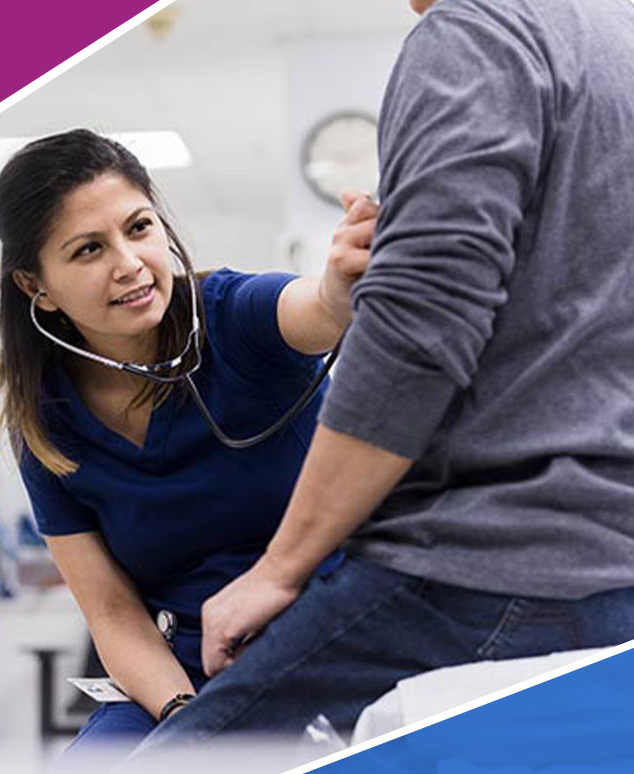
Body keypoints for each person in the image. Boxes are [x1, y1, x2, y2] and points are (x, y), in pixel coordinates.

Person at [133, 0, 634, 761]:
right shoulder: (610, 43)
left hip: (479, 569)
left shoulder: (474, 36)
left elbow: (417, 331)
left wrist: (280, 567)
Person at [0, 128, 378, 760]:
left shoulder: (231, 318)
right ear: (37, 287)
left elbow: (313, 307)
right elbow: (111, 613)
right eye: (88, 250)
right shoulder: (47, 426)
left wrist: (337, 286)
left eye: (139, 228)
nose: (129, 262)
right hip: (183, 674)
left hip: (334, 641)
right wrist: (187, 721)